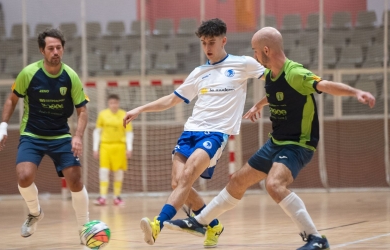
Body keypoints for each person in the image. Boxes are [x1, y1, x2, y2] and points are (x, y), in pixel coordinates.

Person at [163, 27, 376, 250]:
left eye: (255, 51)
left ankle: (316, 239)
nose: (254, 55)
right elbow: (278, 92)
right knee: (238, 180)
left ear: (266, 50)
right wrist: (260, 104)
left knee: (274, 184)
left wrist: (355, 93)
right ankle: (200, 222)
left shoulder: (295, 73)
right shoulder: (271, 74)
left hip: (298, 144)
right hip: (276, 141)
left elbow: (324, 85)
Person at [123, 18, 265, 247]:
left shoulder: (243, 63)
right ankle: (214, 225)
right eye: (203, 43)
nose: (207, 48)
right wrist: (140, 109)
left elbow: (278, 79)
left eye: (212, 42)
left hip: (215, 134)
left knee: (188, 175)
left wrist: (261, 103)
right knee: (178, 183)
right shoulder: (199, 72)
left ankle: (158, 223)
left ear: (223, 40)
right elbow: (171, 99)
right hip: (190, 131)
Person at [0, 28, 90, 242]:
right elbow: (12, 100)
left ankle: (84, 227)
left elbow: (82, 110)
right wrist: (2, 126)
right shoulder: (29, 73)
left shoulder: (70, 76)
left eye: (58, 48)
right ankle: (35, 212)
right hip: (32, 134)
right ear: (42, 50)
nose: (55, 51)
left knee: (75, 179)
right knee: (24, 176)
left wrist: (78, 136)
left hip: (61, 136)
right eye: (50, 48)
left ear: (63, 50)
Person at [92, 94, 133, 206]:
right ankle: (102, 197)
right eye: (111, 103)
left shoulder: (124, 115)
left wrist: (129, 148)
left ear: (118, 103)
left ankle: (117, 197)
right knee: (104, 171)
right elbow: (97, 131)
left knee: (118, 172)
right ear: (108, 104)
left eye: (115, 103)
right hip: (105, 146)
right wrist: (95, 148)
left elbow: (129, 133)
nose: (113, 105)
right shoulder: (102, 114)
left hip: (119, 146)